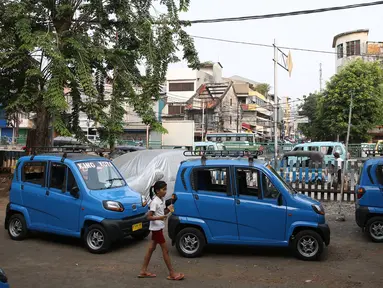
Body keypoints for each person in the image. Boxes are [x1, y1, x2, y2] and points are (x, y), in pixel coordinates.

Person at [138, 181, 184, 280]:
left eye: (166, 189)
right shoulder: (154, 202)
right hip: (156, 229)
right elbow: (149, 217)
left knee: (150, 250)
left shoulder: (160, 199)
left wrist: (168, 209)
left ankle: (143, 271)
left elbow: (161, 212)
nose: (165, 191)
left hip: (158, 228)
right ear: (157, 191)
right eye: (164, 189)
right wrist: (160, 218)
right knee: (165, 250)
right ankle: (172, 273)